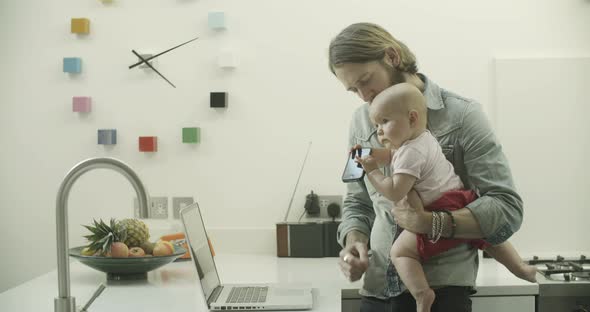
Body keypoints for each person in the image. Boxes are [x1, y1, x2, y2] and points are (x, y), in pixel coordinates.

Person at [329, 22, 525, 312]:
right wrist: (353, 244)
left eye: (366, 80)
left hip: (441, 294)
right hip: (377, 290)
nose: (364, 96)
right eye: (353, 89)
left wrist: (432, 223)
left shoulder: (463, 116)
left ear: (392, 57)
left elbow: (507, 209)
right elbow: (357, 202)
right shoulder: (360, 123)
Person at [353, 83, 536, 312]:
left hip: (437, 207)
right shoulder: (423, 139)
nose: (379, 131)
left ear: (411, 118)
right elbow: (392, 155)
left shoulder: (410, 153)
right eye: (376, 124)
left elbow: (394, 190)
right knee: (487, 237)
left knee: (399, 252)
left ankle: (421, 294)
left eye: (384, 122)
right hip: (459, 197)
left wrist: (372, 171)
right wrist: (368, 155)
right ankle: (521, 268)